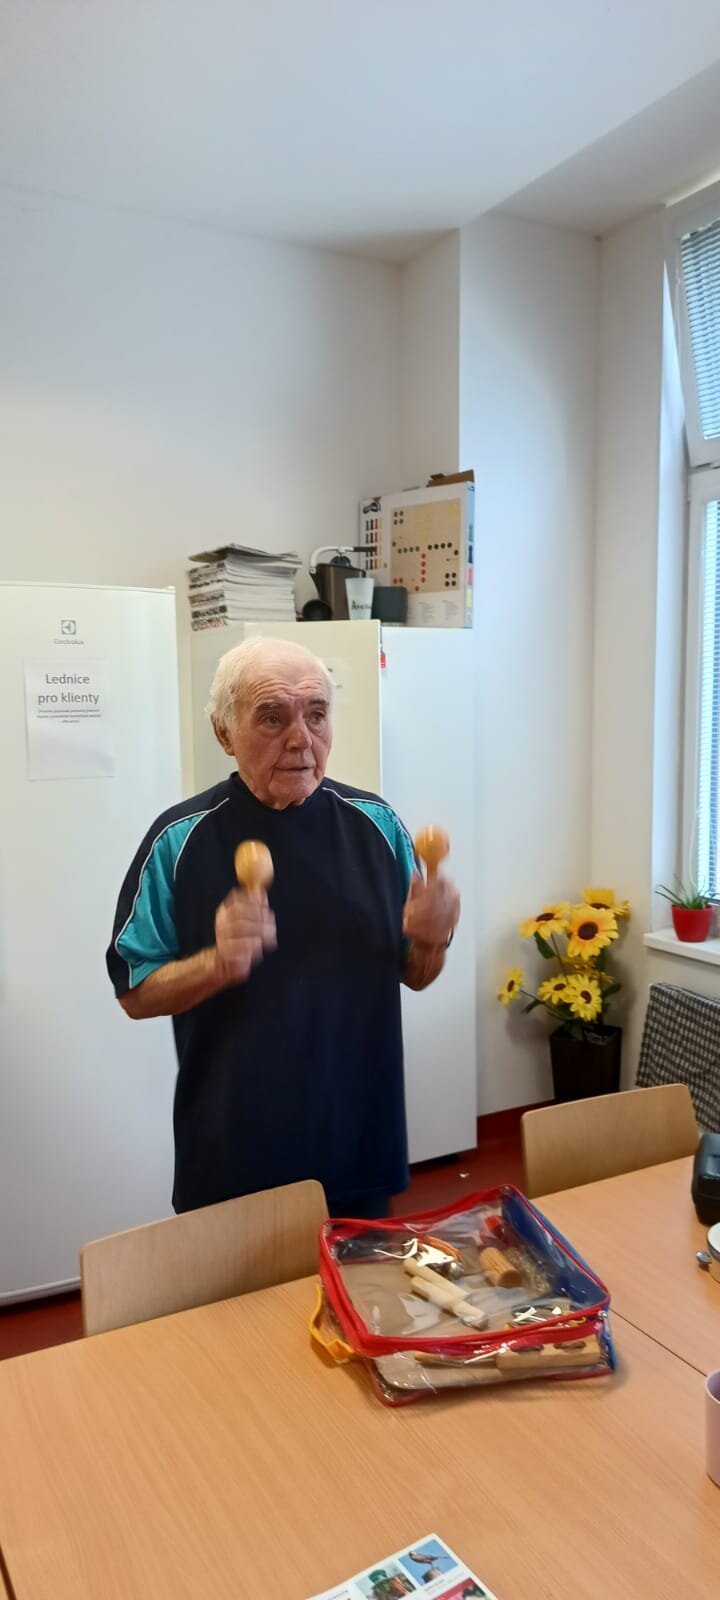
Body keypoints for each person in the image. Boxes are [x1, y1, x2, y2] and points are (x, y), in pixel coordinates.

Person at [107, 637, 460, 1218]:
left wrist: (431, 940)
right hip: (232, 1156)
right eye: (273, 718)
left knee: (357, 1280)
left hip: (359, 1145)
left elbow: (417, 974)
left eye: (316, 715)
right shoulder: (178, 841)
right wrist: (217, 963)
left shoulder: (378, 827)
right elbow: (135, 993)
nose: (301, 739)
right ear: (224, 733)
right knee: (237, 1285)